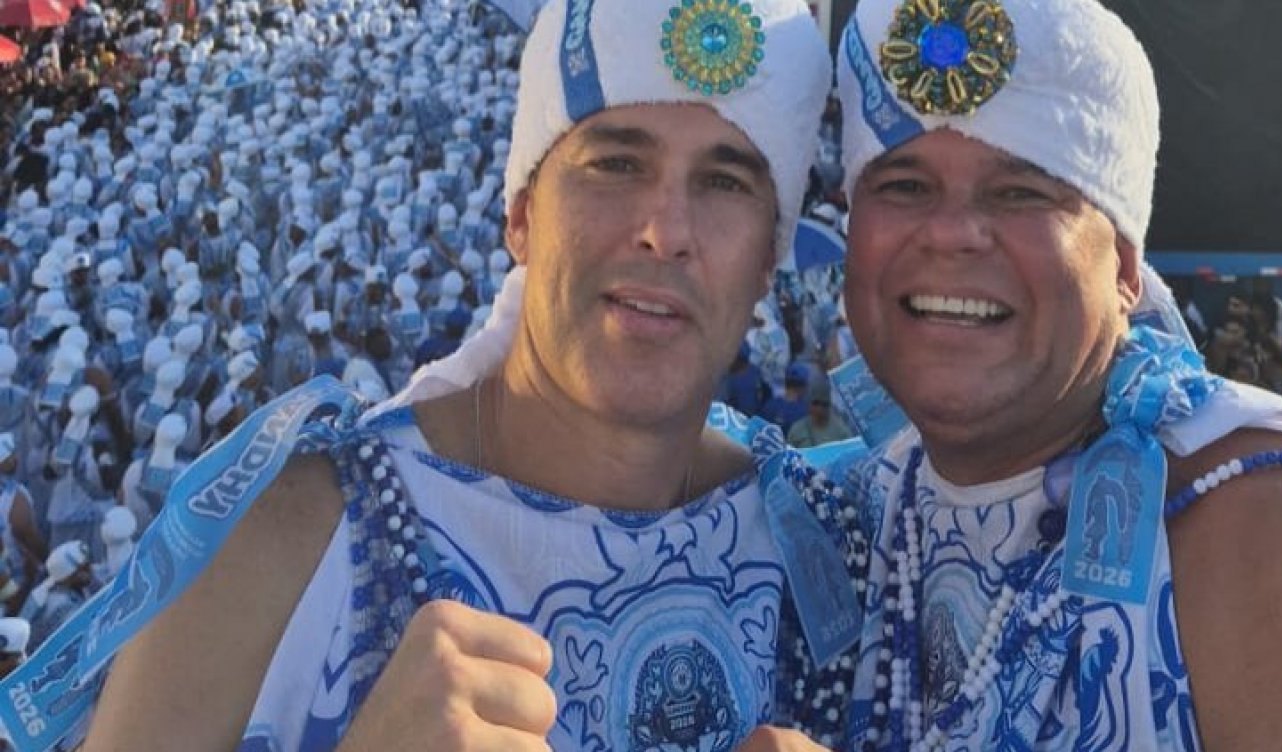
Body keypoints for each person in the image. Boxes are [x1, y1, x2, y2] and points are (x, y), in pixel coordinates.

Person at [9, 2, 836, 750]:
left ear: (770, 256)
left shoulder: (821, 546)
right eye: (616, 163)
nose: (667, 229)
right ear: (520, 214)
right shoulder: (279, 548)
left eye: (725, 181)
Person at [828, 0, 1282, 747]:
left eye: (1021, 192)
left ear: (1127, 269)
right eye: (904, 186)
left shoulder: (1274, 532)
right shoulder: (859, 507)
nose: (949, 232)